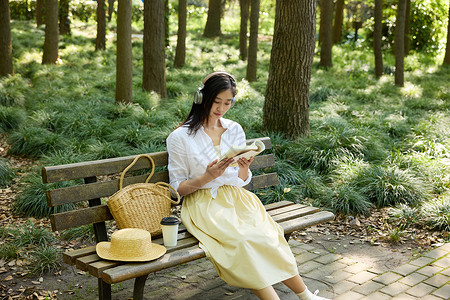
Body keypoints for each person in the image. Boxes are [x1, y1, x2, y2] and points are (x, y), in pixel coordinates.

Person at [166, 71, 330, 300]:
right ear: (202, 99)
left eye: (227, 103)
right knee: (242, 242)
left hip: (237, 199)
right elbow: (177, 189)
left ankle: (306, 296)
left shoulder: (234, 129)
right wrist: (207, 176)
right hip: (204, 203)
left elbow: (242, 180)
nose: (221, 108)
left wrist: (244, 166)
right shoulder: (180, 137)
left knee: (267, 237)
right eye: (216, 102)